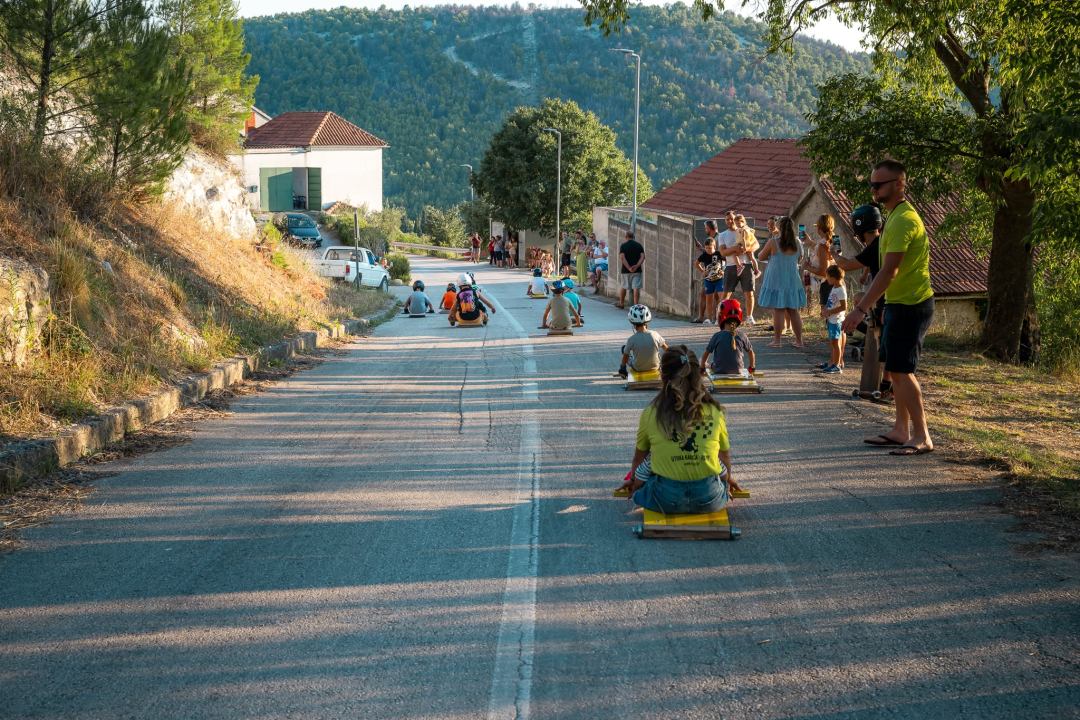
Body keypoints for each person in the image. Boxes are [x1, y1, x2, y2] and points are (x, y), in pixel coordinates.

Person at [841, 160, 935, 456]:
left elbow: (889, 271)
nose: (873, 189)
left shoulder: (904, 220)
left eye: (879, 184)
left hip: (911, 304)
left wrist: (859, 310)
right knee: (894, 370)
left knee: (902, 371)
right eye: (871, 184)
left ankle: (922, 436)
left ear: (898, 184)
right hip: (897, 303)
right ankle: (900, 430)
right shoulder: (893, 217)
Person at [617, 345, 744, 514]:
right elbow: (724, 455)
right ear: (698, 377)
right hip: (709, 498)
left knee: (653, 460)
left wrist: (634, 483)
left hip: (665, 500)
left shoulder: (651, 412)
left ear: (663, 379)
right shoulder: (714, 411)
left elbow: (639, 458)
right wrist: (726, 483)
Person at [831, 204, 891, 397]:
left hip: (884, 301)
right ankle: (885, 387)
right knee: (887, 348)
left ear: (859, 232)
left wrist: (834, 254)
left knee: (885, 348)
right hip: (890, 298)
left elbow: (847, 265)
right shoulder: (884, 242)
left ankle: (887, 390)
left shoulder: (873, 247)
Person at [757, 216, 806, 348]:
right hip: (792, 280)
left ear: (779, 227)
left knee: (778, 310)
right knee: (793, 311)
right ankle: (799, 341)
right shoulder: (797, 243)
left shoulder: (774, 242)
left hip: (777, 280)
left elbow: (760, 256)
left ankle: (777, 340)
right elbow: (800, 258)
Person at [717, 211, 758, 325]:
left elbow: (756, 245)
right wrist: (735, 248)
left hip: (747, 264)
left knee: (749, 292)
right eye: (727, 220)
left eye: (731, 219)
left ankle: (749, 316)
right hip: (731, 266)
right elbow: (723, 252)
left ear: (736, 219)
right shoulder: (722, 235)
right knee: (726, 293)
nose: (729, 221)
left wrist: (746, 249)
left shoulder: (746, 230)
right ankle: (720, 316)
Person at [701, 299, 755, 376]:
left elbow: (706, 354)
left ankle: (708, 365)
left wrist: (702, 367)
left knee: (710, 364)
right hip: (738, 370)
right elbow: (751, 353)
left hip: (719, 370)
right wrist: (751, 367)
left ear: (721, 315)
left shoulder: (717, 336)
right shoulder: (742, 335)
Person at [616, 304, 667, 379]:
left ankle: (631, 359)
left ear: (633, 324)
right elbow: (666, 349)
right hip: (656, 366)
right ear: (647, 322)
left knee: (624, 350)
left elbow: (625, 356)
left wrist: (622, 368)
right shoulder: (655, 334)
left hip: (638, 368)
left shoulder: (631, 339)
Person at [800, 214, 835, 312]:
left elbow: (824, 271)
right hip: (834, 282)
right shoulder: (833, 240)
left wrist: (808, 267)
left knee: (828, 316)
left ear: (818, 228)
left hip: (827, 285)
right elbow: (823, 254)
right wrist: (810, 242)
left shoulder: (822, 246)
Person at [693, 220, 723, 323]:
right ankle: (704, 317)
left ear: (709, 228)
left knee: (717, 296)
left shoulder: (719, 238)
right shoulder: (709, 241)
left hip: (717, 273)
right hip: (708, 273)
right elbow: (707, 255)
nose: (705, 230)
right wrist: (702, 249)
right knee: (704, 293)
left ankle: (715, 317)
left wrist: (723, 270)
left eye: (705, 228)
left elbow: (719, 255)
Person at [820, 265, 847, 373]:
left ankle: (837, 365)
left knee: (836, 343)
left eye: (827, 276)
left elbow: (843, 307)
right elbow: (832, 303)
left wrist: (829, 312)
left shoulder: (840, 289)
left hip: (836, 320)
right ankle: (832, 362)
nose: (826, 278)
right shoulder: (834, 288)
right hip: (831, 319)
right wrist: (825, 310)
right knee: (833, 342)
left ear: (833, 278)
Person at [618, 230, 644, 309]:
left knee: (624, 286)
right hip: (637, 270)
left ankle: (621, 303)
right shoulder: (639, 245)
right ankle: (636, 305)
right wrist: (636, 266)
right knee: (636, 287)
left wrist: (629, 267)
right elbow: (642, 257)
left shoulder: (623, 246)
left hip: (626, 270)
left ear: (626, 237)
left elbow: (622, 258)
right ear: (633, 237)